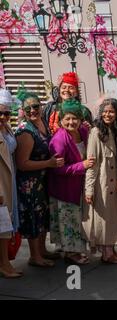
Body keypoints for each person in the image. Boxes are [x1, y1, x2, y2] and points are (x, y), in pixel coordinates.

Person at [15, 87, 64, 267]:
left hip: (42, 181)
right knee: (34, 217)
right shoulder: (25, 131)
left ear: (41, 106)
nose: (32, 111)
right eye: (28, 109)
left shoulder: (41, 122)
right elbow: (22, 163)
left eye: (35, 106)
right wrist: (49, 164)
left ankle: (42, 250)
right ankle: (35, 256)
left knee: (43, 215)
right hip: (30, 183)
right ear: (23, 111)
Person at [83, 98, 117, 263]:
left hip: (115, 181)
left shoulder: (116, 130)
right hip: (101, 182)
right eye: (104, 111)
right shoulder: (96, 132)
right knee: (104, 218)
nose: (107, 114)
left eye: (111, 111)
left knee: (114, 217)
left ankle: (111, 250)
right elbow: (92, 162)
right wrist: (89, 189)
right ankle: (106, 253)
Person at [48, 98, 94, 265]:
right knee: (69, 220)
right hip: (64, 188)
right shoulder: (59, 139)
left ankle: (71, 249)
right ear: (60, 121)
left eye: (75, 118)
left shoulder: (82, 131)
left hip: (78, 185)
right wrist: (82, 165)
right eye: (67, 118)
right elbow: (57, 169)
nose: (71, 122)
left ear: (81, 119)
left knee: (74, 219)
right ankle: (71, 253)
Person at [0, 89, 22, 278]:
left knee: (7, 224)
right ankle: (4, 264)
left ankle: (5, 262)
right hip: (1, 185)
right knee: (3, 226)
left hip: (10, 179)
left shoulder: (7, 128)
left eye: (6, 113)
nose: (3, 116)